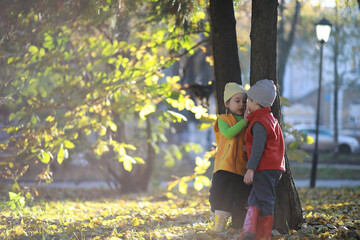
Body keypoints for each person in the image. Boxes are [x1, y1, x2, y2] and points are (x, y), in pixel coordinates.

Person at [238, 79, 286, 240]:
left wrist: (250, 169)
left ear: (258, 104)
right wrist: (248, 148)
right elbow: (266, 143)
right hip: (273, 166)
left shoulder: (259, 122)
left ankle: (263, 236)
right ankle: (249, 232)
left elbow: (259, 147)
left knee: (265, 200)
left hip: (264, 167)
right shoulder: (270, 119)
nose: (247, 103)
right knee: (254, 198)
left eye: (250, 100)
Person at [209, 82, 252, 231]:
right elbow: (228, 133)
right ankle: (215, 214)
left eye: (244, 101)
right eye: (237, 101)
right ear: (228, 103)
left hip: (240, 168)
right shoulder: (223, 119)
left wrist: (249, 146)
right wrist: (245, 122)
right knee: (216, 194)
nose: (241, 104)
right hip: (223, 166)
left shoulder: (250, 122)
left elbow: (251, 139)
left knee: (233, 198)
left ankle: (223, 223)